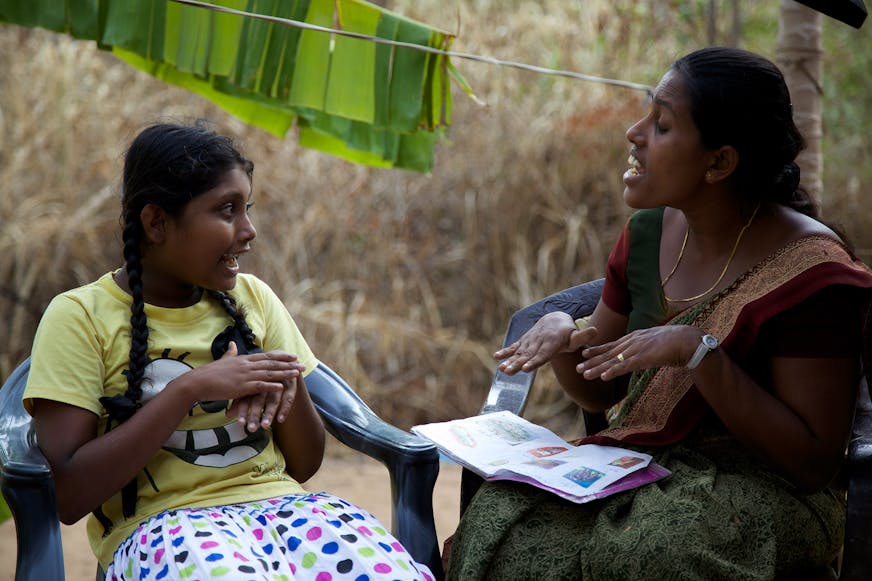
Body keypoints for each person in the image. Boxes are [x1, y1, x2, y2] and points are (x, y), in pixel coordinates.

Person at [446, 47, 872, 580]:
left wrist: (697, 353)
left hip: (768, 488)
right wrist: (565, 341)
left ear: (719, 162)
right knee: (503, 521)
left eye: (662, 125)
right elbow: (601, 391)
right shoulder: (649, 235)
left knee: (648, 552)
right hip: (645, 467)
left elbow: (812, 462)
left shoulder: (812, 275)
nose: (634, 131)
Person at [24, 122, 435, 581]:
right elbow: (71, 495)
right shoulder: (79, 316)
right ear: (157, 222)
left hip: (287, 512)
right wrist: (189, 390)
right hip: (167, 528)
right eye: (226, 210)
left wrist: (284, 382)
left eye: (247, 208)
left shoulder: (253, 298)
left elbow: (304, 464)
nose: (248, 230)